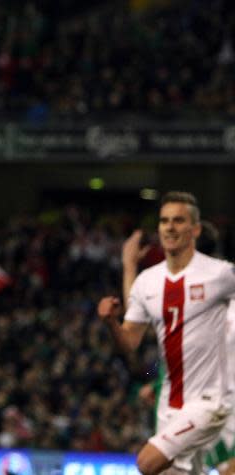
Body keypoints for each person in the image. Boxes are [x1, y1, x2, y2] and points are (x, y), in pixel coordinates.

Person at [98, 192, 235, 474]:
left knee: (148, 462)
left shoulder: (221, 282)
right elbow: (147, 331)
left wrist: (129, 267)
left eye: (178, 221)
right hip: (171, 404)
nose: (170, 228)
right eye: (165, 221)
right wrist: (155, 382)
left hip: (214, 404)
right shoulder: (155, 284)